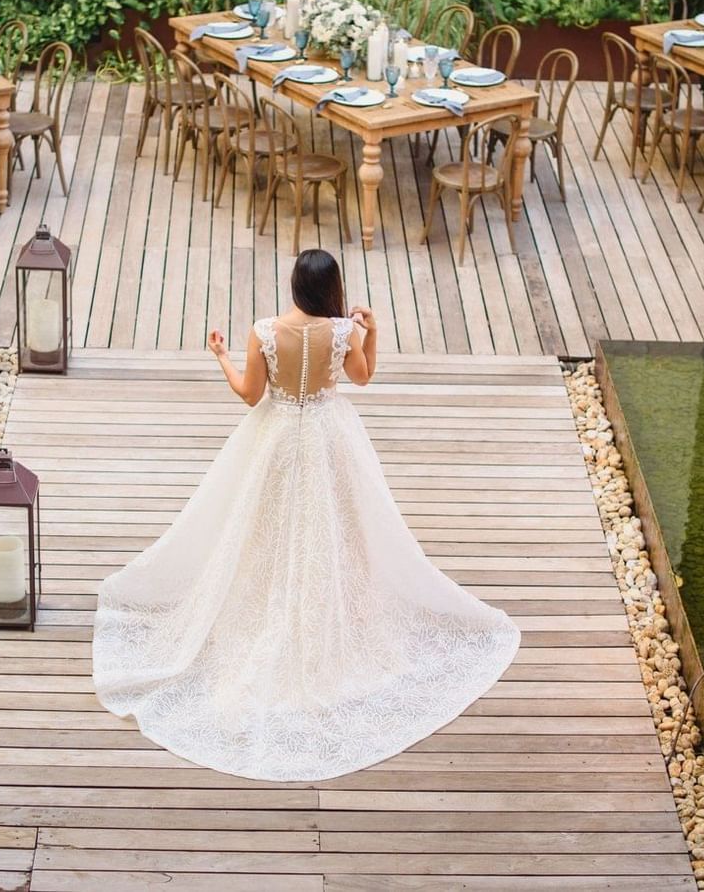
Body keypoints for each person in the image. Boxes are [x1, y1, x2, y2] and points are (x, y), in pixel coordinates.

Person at [92, 249, 519, 781]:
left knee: (261, 531)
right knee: (334, 533)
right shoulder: (342, 333)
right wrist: (372, 330)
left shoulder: (265, 332)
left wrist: (221, 356)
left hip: (275, 441)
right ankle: (331, 614)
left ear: (294, 286)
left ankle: (266, 609)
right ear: (330, 289)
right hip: (326, 439)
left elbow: (251, 396)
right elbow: (362, 379)